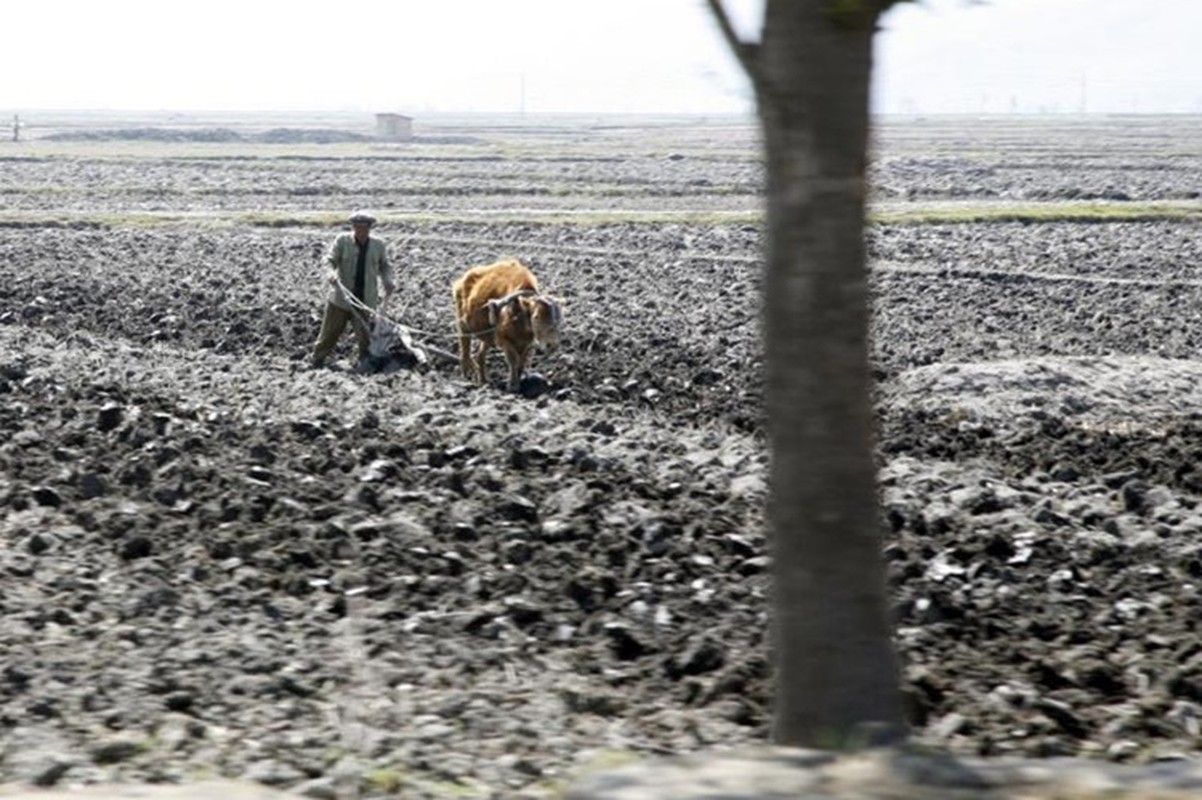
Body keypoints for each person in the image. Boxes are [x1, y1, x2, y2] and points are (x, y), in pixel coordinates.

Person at [311, 211, 397, 369]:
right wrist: (331, 273)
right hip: (341, 298)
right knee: (329, 333)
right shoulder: (342, 241)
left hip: (365, 299)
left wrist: (388, 281)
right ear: (353, 227)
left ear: (370, 228)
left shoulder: (378, 245)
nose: (360, 231)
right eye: (357, 228)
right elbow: (329, 260)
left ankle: (364, 362)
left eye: (364, 228)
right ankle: (318, 359)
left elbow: (385, 265)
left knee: (364, 336)